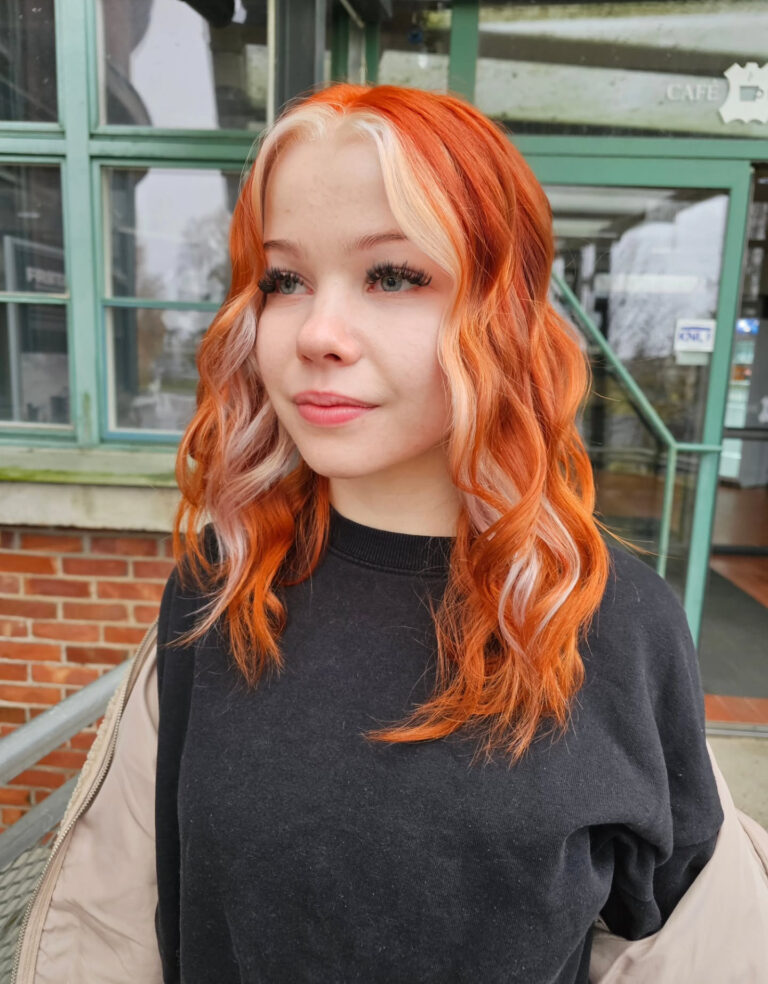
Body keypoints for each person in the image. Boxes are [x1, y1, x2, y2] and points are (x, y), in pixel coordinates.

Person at [13, 83, 768, 984]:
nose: (318, 333)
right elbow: (131, 915)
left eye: (394, 276)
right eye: (284, 280)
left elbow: (688, 943)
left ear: (504, 309)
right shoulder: (223, 583)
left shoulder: (612, 617)